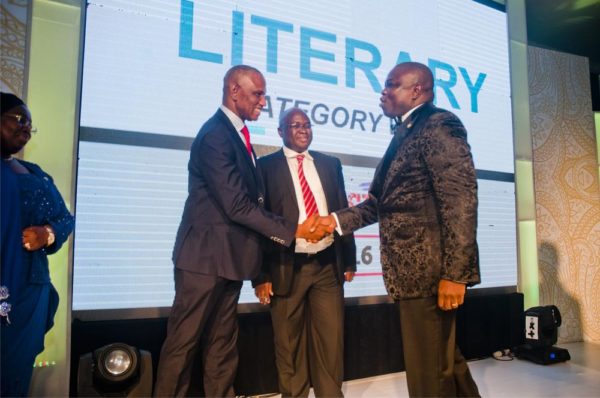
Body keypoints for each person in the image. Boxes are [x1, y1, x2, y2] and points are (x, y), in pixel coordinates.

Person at [153, 66, 331, 397]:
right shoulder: (215, 135)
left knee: (222, 347)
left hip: (230, 259)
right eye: (257, 94)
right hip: (203, 260)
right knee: (182, 345)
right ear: (234, 91)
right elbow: (236, 205)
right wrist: (294, 229)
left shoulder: (237, 134)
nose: (263, 101)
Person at [318, 62, 481, 397]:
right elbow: (381, 203)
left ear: (417, 90)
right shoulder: (404, 131)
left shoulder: (439, 125)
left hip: (431, 276)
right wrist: (332, 223)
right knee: (444, 362)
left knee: (429, 378)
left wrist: (455, 274)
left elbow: (461, 201)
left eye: (392, 84)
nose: (384, 92)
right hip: (412, 277)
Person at [253, 108, 356, 397]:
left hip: (327, 264)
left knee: (330, 342)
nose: (303, 130)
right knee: (289, 346)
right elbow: (259, 221)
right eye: (295, 125)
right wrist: (260, 275)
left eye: (307, 125)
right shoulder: (265, 167)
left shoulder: (329, 164)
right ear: (280, 132)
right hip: (286, 266)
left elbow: (343, 211)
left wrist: (349, 258)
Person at [1, 92, 75, 396]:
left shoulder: (35, 173)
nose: (26, 127)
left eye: (30, 123)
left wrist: (48, 233)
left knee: (15, 376)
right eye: (20, 119)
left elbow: (65, 218)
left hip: (30, 290)